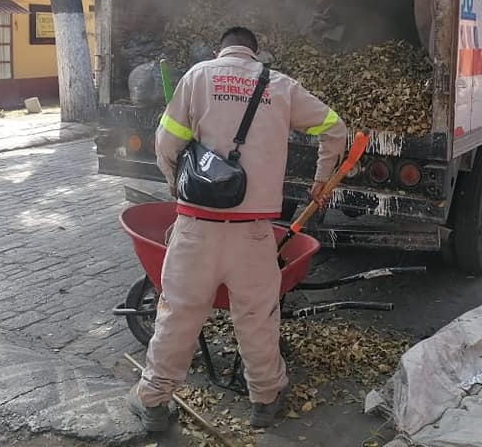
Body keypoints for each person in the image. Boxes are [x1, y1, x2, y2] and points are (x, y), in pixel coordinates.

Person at [127, 26, 347, 432]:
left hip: (196, 229)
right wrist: (320, 180)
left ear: (220, 50)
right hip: (253, 234)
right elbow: (335, 128)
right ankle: (264, 400)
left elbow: (166, 143)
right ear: (255, 53)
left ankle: (154, 401)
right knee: (257, 318)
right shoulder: (281, 86)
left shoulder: (197, 77)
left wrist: (178, 186)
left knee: (177, 317)